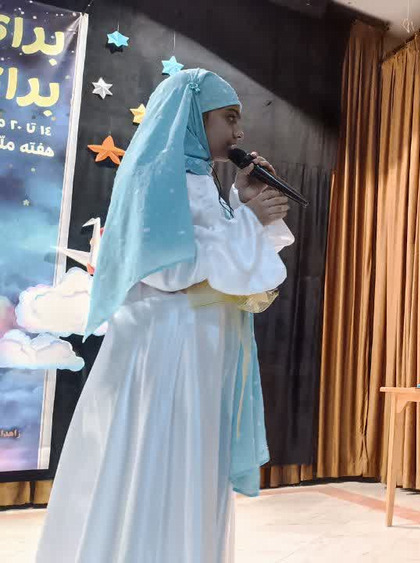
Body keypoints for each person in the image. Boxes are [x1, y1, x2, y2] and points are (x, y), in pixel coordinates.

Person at [36, 69, 292, 563]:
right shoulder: (157, 174)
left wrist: (241, 203)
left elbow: (211, 253)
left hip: (196, 346)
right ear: (193, 116)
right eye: (228, 118)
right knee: (160, 457)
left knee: (188, 461)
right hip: (167, 349)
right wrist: (248, 220)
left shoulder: (197, 178)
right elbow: (171, 270)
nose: (239, 132)